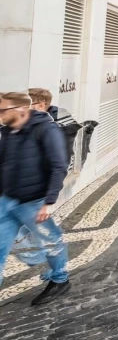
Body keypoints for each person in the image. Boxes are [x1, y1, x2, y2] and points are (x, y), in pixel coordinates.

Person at [0, 92, 71, 306]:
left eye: (3, 110)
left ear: (20, 109)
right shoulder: (7, 132)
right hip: (7, 200)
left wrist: (49, 202)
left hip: (34, 201)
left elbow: (59, 166)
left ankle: (60, 279)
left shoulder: (46, 130)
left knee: (50, 242)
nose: (0, 114)